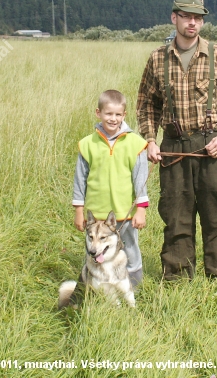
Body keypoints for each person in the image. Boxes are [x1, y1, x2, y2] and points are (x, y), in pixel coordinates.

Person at [136, 0, 217, 280]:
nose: (192, 23)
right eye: (186, 16)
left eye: (197, 18)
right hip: (173, 148)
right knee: (176, 214)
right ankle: (176, 278)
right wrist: (150, 140)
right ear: (174, 18)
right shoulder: (157, 59)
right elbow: (147, 105)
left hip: (212, 145)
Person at [73, 89, 149, 287]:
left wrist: (141, 210)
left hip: (125, 213)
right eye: (108, 114)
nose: (113, 119)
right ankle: (98, 290)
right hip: (96, 215)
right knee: (96, 249)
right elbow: (79, 180)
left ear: (124, 115)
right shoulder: (87, 144)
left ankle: (132, 288)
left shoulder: (136, 144)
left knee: (129, 250)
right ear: (98, 113)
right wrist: (79, 211)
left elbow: (140, 181)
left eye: (117, 115)